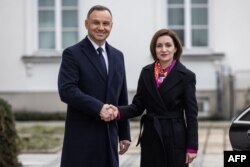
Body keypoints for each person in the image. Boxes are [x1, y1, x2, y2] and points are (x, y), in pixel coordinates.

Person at [103, 28, 198, 167]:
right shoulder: (146, 72)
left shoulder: (187, 76)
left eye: (168, 45)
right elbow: (137, 106)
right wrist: (117, 112)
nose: (163, 49)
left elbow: (191, 114)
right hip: (151, 135)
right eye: (159, 46)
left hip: (176, 138)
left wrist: (192, 147)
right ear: (154, 49)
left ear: (176, 48)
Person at [58, 5, 131, 167]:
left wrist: (124, 133)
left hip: (109, 136)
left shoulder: (118, 56)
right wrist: (99, 108)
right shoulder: (72, 53)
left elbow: (122, 96)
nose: (101, 28)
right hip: (82, 138)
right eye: (95, 23)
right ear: (86, 24)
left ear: (111, 26)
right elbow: (67, 90)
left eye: (106, 24)